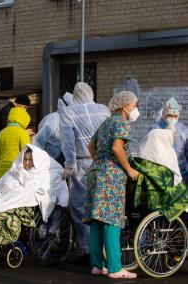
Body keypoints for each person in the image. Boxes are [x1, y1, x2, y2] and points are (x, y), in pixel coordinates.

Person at [0, 145, 69, 267]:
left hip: (20, 207)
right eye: (24, 159)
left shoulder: (45, 174)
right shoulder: (16, 170)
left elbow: (43, 193)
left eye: (30, 160)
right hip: (3, 200)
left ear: (37, 161)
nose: (26, 162)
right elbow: (2, 183)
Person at [84, 90, 139, 279]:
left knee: (97, 222)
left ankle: (96, 266)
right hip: (111, 177)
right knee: (112, 220)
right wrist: (129, 169)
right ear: (125, 106)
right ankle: (115, 268)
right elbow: (117, 148)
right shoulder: (122, 123)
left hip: (95, 173)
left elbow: (91, 146)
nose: (135, 109)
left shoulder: (106, 122)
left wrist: (100, 161)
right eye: (134, 105)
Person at [59, 82, 111, 259]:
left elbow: (68, 143)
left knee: (81, 207)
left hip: (81, 165)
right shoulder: (103, 110)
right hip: (103, 162)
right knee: (102, 206)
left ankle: (86, 249)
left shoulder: (68, 113)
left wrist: (69, 166)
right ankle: (105, 248)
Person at [129, 129, 188, 221]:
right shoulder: (166, 163)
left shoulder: (135, 160)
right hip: (159, 201)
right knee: (184, 193)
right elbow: (173, 183)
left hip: (138, 201)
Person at [150, 97, 188, 182]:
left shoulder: (184, 130)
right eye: (170, 115)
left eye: (175, 116)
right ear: (164, 114)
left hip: (181, 173)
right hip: (161, 172)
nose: (172, 118)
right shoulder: (155, 128)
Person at [32, 92, 73, 165]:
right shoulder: (52, 119)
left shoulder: (71, 121)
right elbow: (38, 141)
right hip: (51, 163)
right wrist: (40, 162)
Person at [0, 106, 31, 181]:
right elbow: (27, 154)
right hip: (15, 173)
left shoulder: (1, 133)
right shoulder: (22, 133)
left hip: (1, 173)